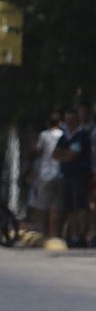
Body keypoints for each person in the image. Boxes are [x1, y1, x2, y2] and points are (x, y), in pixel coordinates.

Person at [52, 105, 92, 247]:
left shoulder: (82, 134)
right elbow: (55, 153)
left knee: (80, 206)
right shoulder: (65, 135)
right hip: (66, 174)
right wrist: (66, 155)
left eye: (71, 120)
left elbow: (73, 155)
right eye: (67, 120)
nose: (68, 123)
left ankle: (82, 236)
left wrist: (66, 155)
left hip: (79, 175)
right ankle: (73, 235)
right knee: (69, 208)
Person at [26, 111, 63, 238]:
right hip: (60, 172)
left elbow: (39, 152)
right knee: (56, 205)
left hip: (45, 173)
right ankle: (54, 233)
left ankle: (40, 232)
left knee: (42, 205)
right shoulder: (63, 134)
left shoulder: (44, 135)